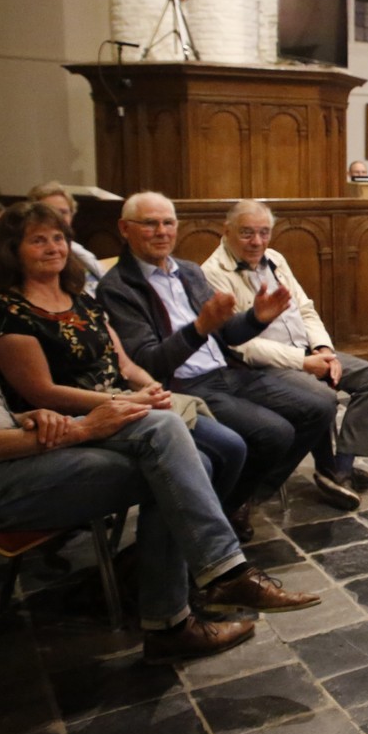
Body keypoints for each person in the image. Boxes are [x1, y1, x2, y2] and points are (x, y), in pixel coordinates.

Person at [0, 204, 319, 663]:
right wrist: (84, 425)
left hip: (29, 439)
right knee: (181, 457)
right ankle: (204, 584)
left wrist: (28, 416)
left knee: (195, 452)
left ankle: (186, 593)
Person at [97, 192, 341, 539]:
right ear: (125, 229)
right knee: (275, 433)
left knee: (321, 404)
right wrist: (199, 329)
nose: (162, 231)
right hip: (183, 385)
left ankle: (241, 498)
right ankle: (219, 515)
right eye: (150, 224)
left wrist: (255, 318)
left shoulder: (188, 272)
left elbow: (227, 334)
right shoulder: (118, 288)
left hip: (226, 371)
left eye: (168, 223)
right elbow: (148, 362)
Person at [0, 201, 248, 503]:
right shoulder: (8, 311)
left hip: (125, 400)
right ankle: (174, 534)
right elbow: (42, 392)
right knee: (202, 463)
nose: (53, 248)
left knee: (232, 446)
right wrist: (127, 401)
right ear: (12, 250)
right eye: (38, 241)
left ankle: (194, 528)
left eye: (58, 239)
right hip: (74, 418)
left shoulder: (80, 299)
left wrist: (153, 390)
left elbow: (126, 365)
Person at [202, 199, 368, 496]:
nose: (257, 241)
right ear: (227, 230)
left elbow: (305, 309)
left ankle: (341, 468)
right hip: (265, 365)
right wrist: (303, 362)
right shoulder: (212, 273)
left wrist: (323, 349)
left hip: (307, 350)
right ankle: (317, 473)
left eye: (264, 232)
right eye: (247, 233)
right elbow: (242, 345)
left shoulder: (274, 258)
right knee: (321, 395)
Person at [28, 181, 105, 293]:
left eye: (63, 212)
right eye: (50, 212)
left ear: (72, 216)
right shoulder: (41, 257)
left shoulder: (79, 253)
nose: (58, 218)